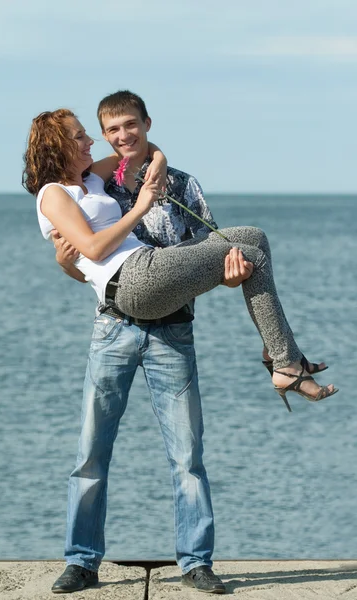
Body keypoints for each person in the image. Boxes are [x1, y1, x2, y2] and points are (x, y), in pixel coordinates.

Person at [22, 93, 336, 594]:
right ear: (61, 144)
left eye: (118, 128)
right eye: (84, 134)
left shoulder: (103, 179)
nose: (96, 140)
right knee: (90, 452)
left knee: (251, 239)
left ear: (145, 123)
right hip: (124, 301)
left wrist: (229, 275)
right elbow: (94, 250)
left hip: (170, 318)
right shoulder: (53, 193)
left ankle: (195, 563)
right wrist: (141, 207)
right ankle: (81, 561)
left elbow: (147, 158)